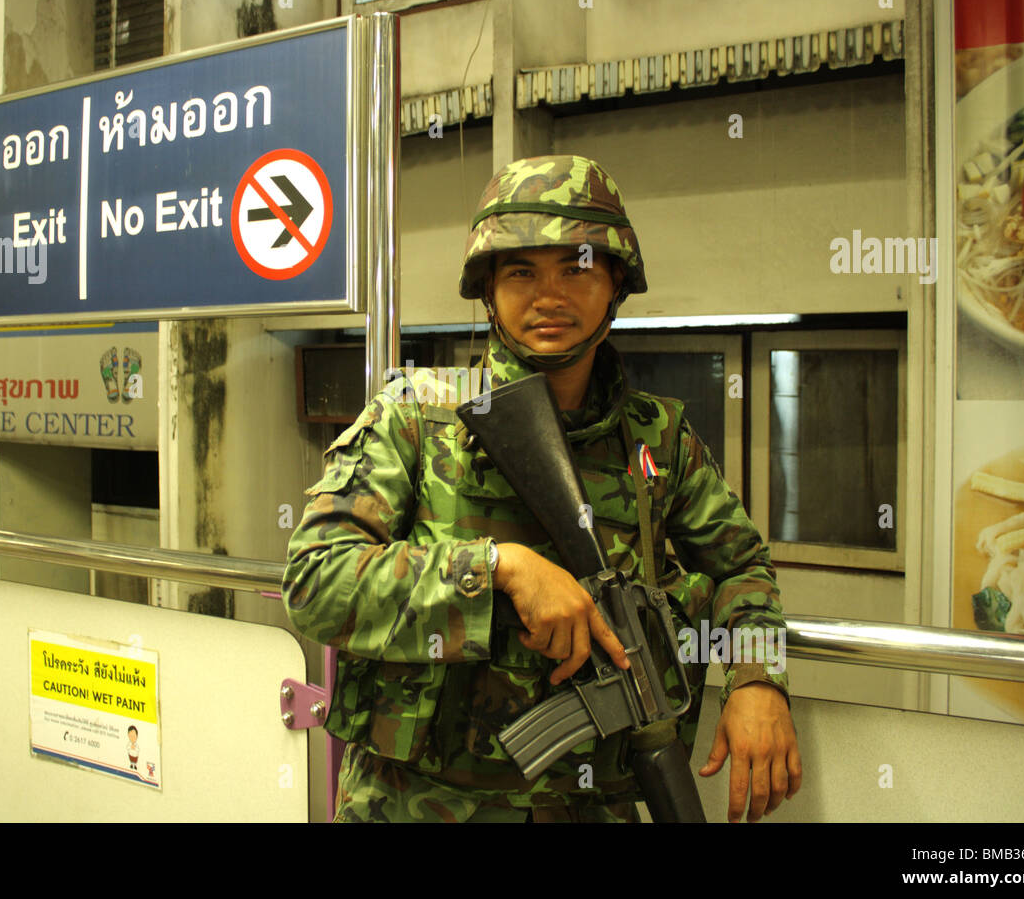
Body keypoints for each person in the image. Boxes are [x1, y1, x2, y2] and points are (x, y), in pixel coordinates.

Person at [282, 154, 800, 822]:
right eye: (521, 271)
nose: (548, 295)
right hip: (415, 804)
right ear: (489, 291)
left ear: (615, 283)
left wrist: (758, 681)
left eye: (578, 267)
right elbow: (316, 583)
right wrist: (496, 570)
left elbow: (742, 568)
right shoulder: (416, 414)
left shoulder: (658, 440)